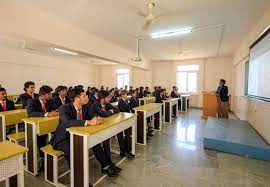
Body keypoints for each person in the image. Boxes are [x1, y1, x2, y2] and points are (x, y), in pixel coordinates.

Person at [49, 87, 119, 182]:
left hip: (79, 135)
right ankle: (79, 180)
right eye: (84, 96)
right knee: (73, 151)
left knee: (96, 143)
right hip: (64, 138)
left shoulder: (86, 106)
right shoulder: (64, 108)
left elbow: (92, 116)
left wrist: (97, 118)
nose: (87, 97)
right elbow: (67, 122)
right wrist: (88, 122)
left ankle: (106, 167)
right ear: (77, 98)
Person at [91, 92, 134, 159]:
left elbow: (117, 110)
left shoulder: (107, 104)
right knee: (106, 140)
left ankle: (123, 151)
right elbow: (104, 114)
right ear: (102, 99)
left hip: (107, 124)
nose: (110, 99)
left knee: (119, 131)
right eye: (108, 97)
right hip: (97, 128)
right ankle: (108, 160)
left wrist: (109, 112)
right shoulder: (96, 105)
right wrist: (110, 112)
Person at [27, 85, 59, 166]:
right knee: (41, 137)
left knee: (59, 131)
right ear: (42, 95)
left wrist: (56, 111)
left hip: (47, 124)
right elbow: (30, 113)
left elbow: (56, 108)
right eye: (49, 94)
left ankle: (52, 149)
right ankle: (42, 157)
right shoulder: (31, 101)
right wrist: (46, 114)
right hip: (36, 126)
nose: (51, 96)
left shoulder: (50, 101)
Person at [117, 90, 135, 159]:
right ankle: (124, 150)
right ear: (122, 95)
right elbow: (122, 111)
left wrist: (131, 112)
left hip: (128, 117)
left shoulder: (126, 101)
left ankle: (127, 149)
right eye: (125, 94)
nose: (126, 96)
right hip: (123, 119)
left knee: (128, 134)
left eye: (126, 94)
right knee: (124, 135)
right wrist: (129, 113)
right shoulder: (120, 102)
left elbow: (129, 108)